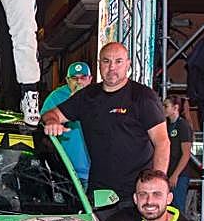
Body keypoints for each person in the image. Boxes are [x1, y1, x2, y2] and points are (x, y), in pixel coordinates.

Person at [43, 42, 169, 204]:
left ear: (128, 65)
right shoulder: (87, 96)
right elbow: (51, 114)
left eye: (118, 61)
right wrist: (53, 121)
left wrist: (157, 187)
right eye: (106, 61)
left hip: (137, 192)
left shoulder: (143, 97)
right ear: (99, 64)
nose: (112, 68)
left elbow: (162, 142)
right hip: (100, 192)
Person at [40, 62, 92, 189]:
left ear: (90, 79)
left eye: (83, 77)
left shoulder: (98, 96)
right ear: (67, 80)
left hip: (93, 172)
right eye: (74, 78)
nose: (79, 82)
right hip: (65, 171)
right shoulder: (56, 97)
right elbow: (42, 123)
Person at [165, 95, 194, 213]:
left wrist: (175, 175)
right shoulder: (166, 125)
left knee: (177, 208)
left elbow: (186, 154)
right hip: (168, 172)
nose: (163, 109)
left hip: (179, 175)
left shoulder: (183, 125)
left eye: (166, 106)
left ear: (175, 107)